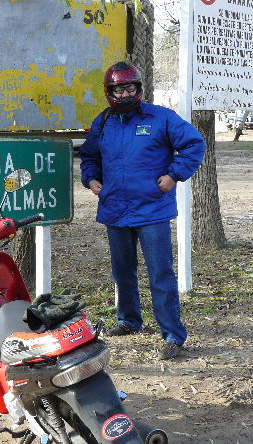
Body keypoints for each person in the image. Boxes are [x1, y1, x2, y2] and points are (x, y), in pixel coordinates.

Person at [78, 61, 205, 360]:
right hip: (115, 209)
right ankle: (129, 320)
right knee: (122, 271)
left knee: (160, 274)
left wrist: (174, 175)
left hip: (152, 209)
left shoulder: (161, 118)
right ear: (109, 91)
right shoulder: (104, 121)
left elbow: (194, 144)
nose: (124, 94)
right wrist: (91, 179)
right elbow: (89, 156)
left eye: (129, 87)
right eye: (118, 89)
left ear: (139, 88)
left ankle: (173, 335)